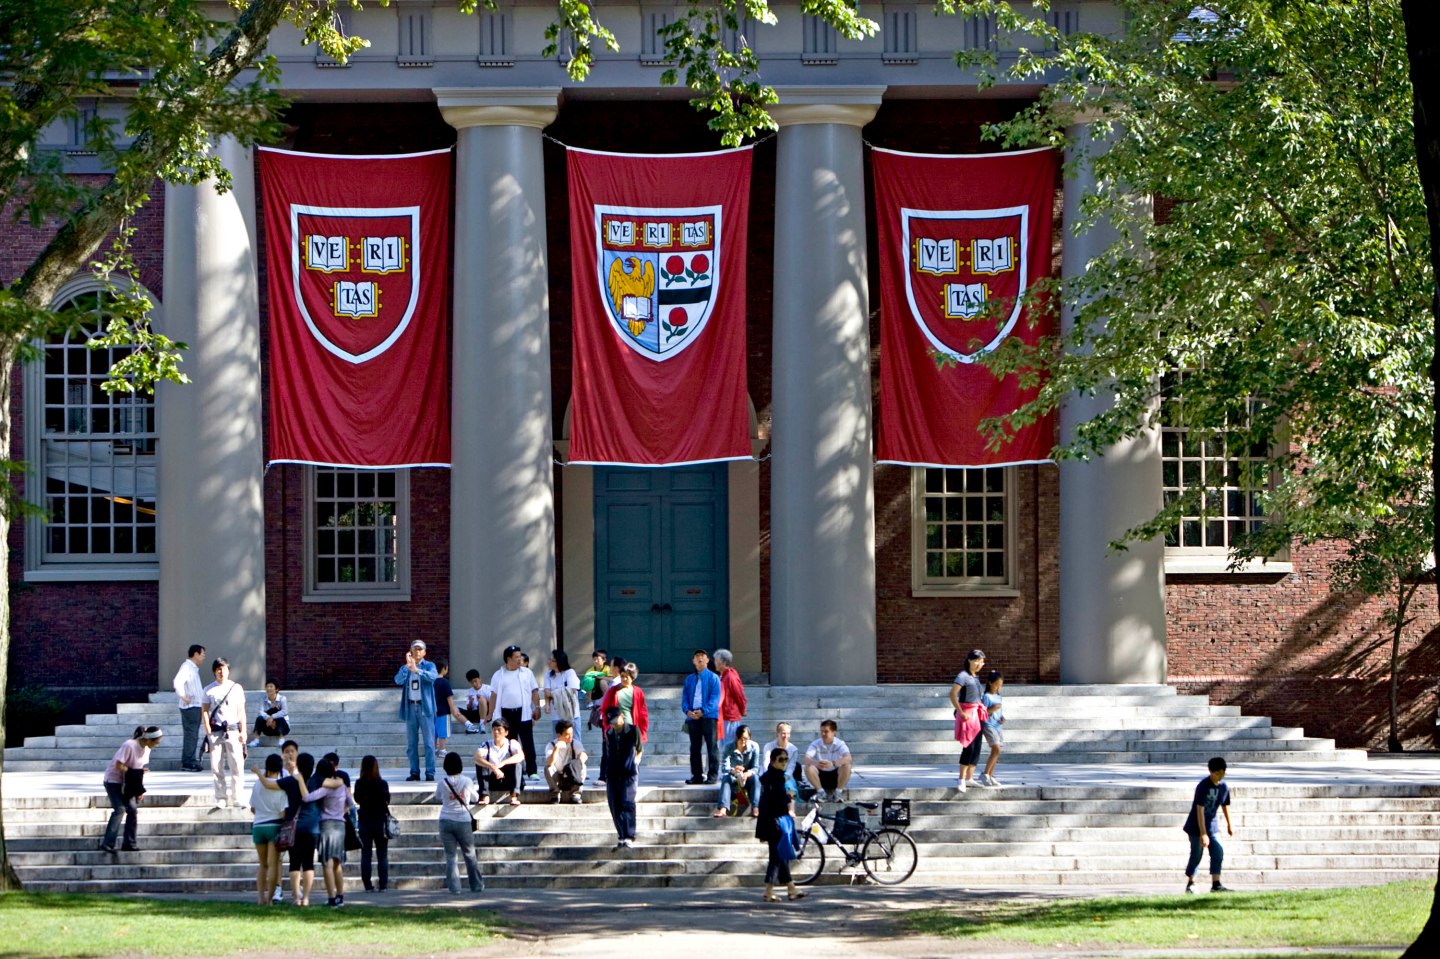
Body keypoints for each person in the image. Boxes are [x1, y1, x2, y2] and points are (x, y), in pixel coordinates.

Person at [100, 725, 162, 853]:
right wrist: (132, 772)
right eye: (156, 743)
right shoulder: (129, 745)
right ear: (149, 740)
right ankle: (108, 843)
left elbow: (138, 770)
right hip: (114, 781)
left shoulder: (147, 750)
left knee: (133, 810)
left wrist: (138, 788)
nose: (156, 746)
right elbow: (118, 765)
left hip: (129, 783)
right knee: (120, 809)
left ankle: (129, 843)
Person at [756, 747, 806, 903]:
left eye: (786, 759)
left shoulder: (771, 777)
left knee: (780, 856)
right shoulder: (775, 779)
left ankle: (791, 889)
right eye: (781, 759)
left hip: (770, 821)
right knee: (776, 858)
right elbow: (777, 802)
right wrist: (789, 796)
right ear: (772, 761)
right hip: (775, 822)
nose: (784, 762)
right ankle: (768, 891)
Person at [488, 645, 541, 784]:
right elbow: (493, 695)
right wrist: (490, 713)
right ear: (508, 659)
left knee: (528, 742)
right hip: (505, 714)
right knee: (509, 744)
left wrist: (537, 707)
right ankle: (511, 770)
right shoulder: (498, 675)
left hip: (523, 712)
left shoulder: (527, 673)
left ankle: (532, 771)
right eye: (516, 657)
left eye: (520, 657)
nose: (519, 660)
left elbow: (534, 691)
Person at [306, 757, 354, 908]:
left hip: (326, 825)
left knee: (327, 862)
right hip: (340, 825)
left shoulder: (326, 788)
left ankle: (331, 897)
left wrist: (301, 781)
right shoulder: (341, 786)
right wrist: (341, 812)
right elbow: (351, 803)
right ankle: (340, 896)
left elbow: (308, 798)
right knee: (338, 862)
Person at [201, 657, 247, 808]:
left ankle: (237, 797)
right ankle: (221, 797)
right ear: (214, 671)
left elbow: (241, 711)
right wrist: (208, 730)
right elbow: (205, 711)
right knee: (216, 766)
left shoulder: (236, 688)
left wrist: (244, 730)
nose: (221, 672)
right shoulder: (208, 689)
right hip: (216, 731)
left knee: (237, 765)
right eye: (218, 669)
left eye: (224, 669)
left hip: (233, 730)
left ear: (229, 671)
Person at [1184, 756, 1234, 894]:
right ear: (1210, 772)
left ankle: (1216, 884)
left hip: (1212, 824)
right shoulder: (1203, 786)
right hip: (1196, 826)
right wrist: (1203, 833)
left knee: (1218, 850)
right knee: (1197, 854)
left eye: (1222, 773)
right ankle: (1191, 883)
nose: (1219, 776)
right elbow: (1199, 809)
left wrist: (1230, 824)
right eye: (1217, 773)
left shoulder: (1224, 787)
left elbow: (1225, 805)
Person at [436, 751, 484, 894]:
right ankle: (476, 885)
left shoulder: (442, 782)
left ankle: (454, 888)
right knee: (469, 854)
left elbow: (438, 796)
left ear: (445, 766)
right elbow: (475, 797)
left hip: (445, 819)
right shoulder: (467, 781)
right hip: (463, 820)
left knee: (451, 856)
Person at [394, 639, 438, 782]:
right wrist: (408, 667)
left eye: (420, 649)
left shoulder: (429, 665)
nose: (417, 652)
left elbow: (433, 677)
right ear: (410, 651)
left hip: (425, 708)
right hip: (411, 707)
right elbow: (398, 680)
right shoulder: (405, 667)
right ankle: (414, 772)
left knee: (429, 743)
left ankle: (430, 772)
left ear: (424, 652)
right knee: (412, 743)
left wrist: (417, 671)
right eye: (415, 649)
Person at [249, 753, 289, 905]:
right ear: (279, 769)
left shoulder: (258, 784)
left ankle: (260, 898)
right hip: (274, 825)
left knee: (262, 864)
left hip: (258, 826)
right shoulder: (280, 786)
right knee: (273, 864)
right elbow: (283, 812)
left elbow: (253, 808)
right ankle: (270, 899)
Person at [603, 705, 642, 850]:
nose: (613, 724)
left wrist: (635, 763)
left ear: (622, 717)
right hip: (613, 772)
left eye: (615, 720)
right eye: (610, 722)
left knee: (628, 802)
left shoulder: (632, 730)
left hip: (629, 773)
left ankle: (629, 835)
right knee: (615, 804)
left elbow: (639, 749)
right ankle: (621, 835)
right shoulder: (609, 733)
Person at [682, 649, 722, 785]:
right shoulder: (689, 679)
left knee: (711, 747)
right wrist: (687, 711)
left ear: (707, 660)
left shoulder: (713, 678)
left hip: (709, 716)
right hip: (693, 716)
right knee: (694, 748)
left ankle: (712, 775)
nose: (699, 658)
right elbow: (685, 698)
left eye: (702, 656)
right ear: (693, 661)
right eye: (697, 656)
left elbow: (714, 698)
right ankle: (697, 775)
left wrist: (703, 711)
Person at [949, 648, 987, 793]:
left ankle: (970, 778)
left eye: (982, 662)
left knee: (977, 747)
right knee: (969, 746)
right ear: (969, 660)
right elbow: (953, 694)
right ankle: (961, 778)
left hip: (978, 714)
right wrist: (961, 712)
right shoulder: (962, 676)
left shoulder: (975, 677)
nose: (979, 664)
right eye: (977, 660)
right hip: (968, 714)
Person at [354, 754, 391, 892]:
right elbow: (387, 800)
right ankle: (383, 885)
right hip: (380, 822)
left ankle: (367, 885)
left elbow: (357, 799)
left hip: (365, 822)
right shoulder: (382, 783)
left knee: (366, 855)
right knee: (382, 855)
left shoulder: (359, 783)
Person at [599, 662, 649, 762]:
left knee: (631, 759)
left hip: (631, 728)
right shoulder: (613, 691)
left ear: (633, 678)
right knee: (615, 758)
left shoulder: (638, 692)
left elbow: (643, 715)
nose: (624, 679)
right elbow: (604, 710)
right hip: (616, 729)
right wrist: (608, 726)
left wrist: (642, 733)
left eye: (627, 677)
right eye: (622, 676)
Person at [474, 717, 526, 806]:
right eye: (494, 730)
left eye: (499, 730)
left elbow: (521, 756)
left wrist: (503, 763)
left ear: (506, 732)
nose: (496, 732)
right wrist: (493, 767)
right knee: (480, 764)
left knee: (517, 764)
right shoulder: (486, 745)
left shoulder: (512, 743)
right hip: (493, 779)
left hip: (509, 779)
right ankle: (485, 795)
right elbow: (477, 758)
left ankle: (514, 796)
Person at [171, 645, 206, 771]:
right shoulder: (187, 667)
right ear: (196, 654)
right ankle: (188, 761)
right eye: (202, 654)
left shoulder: (193, 668)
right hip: (190, 707)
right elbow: (177, 682)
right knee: (191, 735)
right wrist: (183, 696)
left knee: (192, 734)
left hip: (195, 706)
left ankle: (189, 760)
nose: (203, 658)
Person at [715, 723, 761, 817]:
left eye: (746, 738)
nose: (743, 741)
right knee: (726, 778)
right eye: (741, 738)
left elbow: (755, 768)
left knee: (756, 778)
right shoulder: (728, 747)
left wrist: (747, 773)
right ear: (736, 737)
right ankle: (723, 808)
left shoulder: (754, 747)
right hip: (734, 778)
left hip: (748, 778)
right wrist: (734, 771)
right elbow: (724, 768)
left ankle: (755, 807)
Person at [803, 719, 852, 802]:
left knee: (847, 766)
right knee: (808, 767)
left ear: (834, 732)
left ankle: (838, 793)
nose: (823, 734)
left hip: (836, 776)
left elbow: (848, 758)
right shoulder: (816, 743)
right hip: (821, 776)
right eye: (821, 731)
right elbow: (806, 758)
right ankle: (821, 793)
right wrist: (816, 763)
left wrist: (833, 763)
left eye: (826, 731)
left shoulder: (840, 743)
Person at [542, 650, 582, 751]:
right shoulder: (548, 675)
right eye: (550, 660)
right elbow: (546, 691)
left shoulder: (569, 673)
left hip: (571, 712)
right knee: (558, 740)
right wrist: (547, 705)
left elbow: (571, 690)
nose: (550, 662)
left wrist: (553, 693)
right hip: (556, 712)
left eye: (553, 660)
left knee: (575, 740)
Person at [544, 719, 588, 804]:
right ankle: (555, 794)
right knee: (548, 768)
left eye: (571, 733)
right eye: (567, 734)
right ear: (559, 735)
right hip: (557, 777)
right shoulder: (551, 745)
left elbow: (584, 754)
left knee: (582, 765)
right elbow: (550, 762)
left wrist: (577, 763)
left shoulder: (575, 743)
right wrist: (556, 749)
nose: (570, 736)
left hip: (571, 776)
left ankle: (576, 794)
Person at [715, 648, 747, 747]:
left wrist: (742, 710)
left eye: (716, 661)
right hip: (723, 716)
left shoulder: (730, 677)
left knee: (729, 746)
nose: (715, 663)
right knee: (725, 745)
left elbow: (739, 695)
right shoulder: (724, 676)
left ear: (723, 663)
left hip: (730, 717)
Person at [433, 659, 464, 761]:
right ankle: (442, 750)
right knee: (443, 732)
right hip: (444, 711)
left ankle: (433, 749)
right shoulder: (445, 682)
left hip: (432, 712)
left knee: (434, 732)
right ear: (444, 668)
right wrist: (453, 709)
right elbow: (449, 697)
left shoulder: (431, 682)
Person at [979, 669, 1005, 788]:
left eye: (1000, 685)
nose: (998, 687)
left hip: (998, 726)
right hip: (989, 725)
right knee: (996, 749)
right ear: (990, 683)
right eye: (996, 685)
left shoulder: (998, 696)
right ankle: (985, 774)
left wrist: (1002, 718)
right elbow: (983, 713)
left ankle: (991, 774)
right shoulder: (986, 697)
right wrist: (993, 709)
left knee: (997, 752)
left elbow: (999, 711)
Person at [250, 680, 290, 746]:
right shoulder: (262, 699)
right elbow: (261, 712)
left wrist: (272, 717)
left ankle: (282, 740)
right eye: (267, 686)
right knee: (259, 718)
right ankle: (256, 740)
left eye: (271, 686)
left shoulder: (282, 698)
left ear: (276, 689)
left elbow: (284, 711)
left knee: (280, 718)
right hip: (268, 726)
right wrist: (269, 718)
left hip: (282, 727)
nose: (268, 688)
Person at [460, 669, 493, 734]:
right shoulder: (470, 691)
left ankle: (482, 724)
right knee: (456, 710)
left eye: (475, 681)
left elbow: (493, 703)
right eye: (472, 682)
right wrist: (471, 702)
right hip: (474, 714)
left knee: (482, 699)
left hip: (486, 714)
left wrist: (483, 700)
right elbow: (469, 708)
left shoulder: (487, 688)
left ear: (479, 679)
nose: (474, 684)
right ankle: (469, 726)